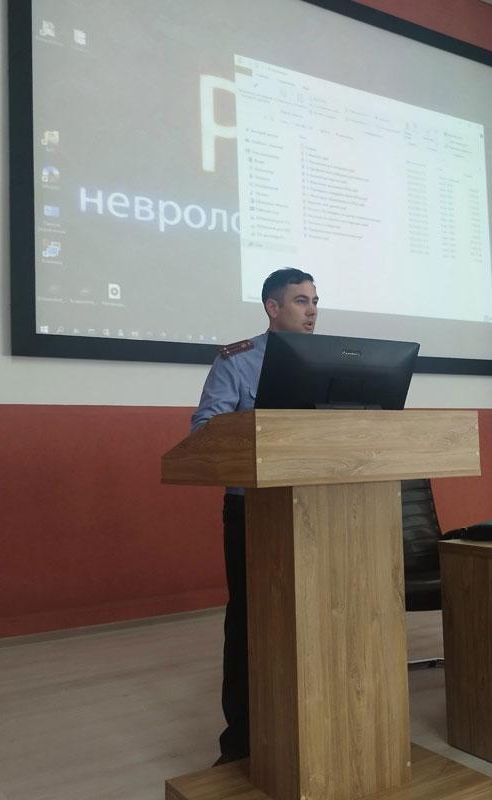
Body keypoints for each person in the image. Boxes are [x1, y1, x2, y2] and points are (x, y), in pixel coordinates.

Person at [191, 268, 318, 763]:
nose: (311, 310)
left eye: (314, 301)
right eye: (301, 300)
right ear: (272, 307)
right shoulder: (238, 360)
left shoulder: (328, 361)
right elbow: (205, 428)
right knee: (249, 619)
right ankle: (241, 741)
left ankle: (311, 726)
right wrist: (262, 430)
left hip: (317, 508)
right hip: (254, 508)